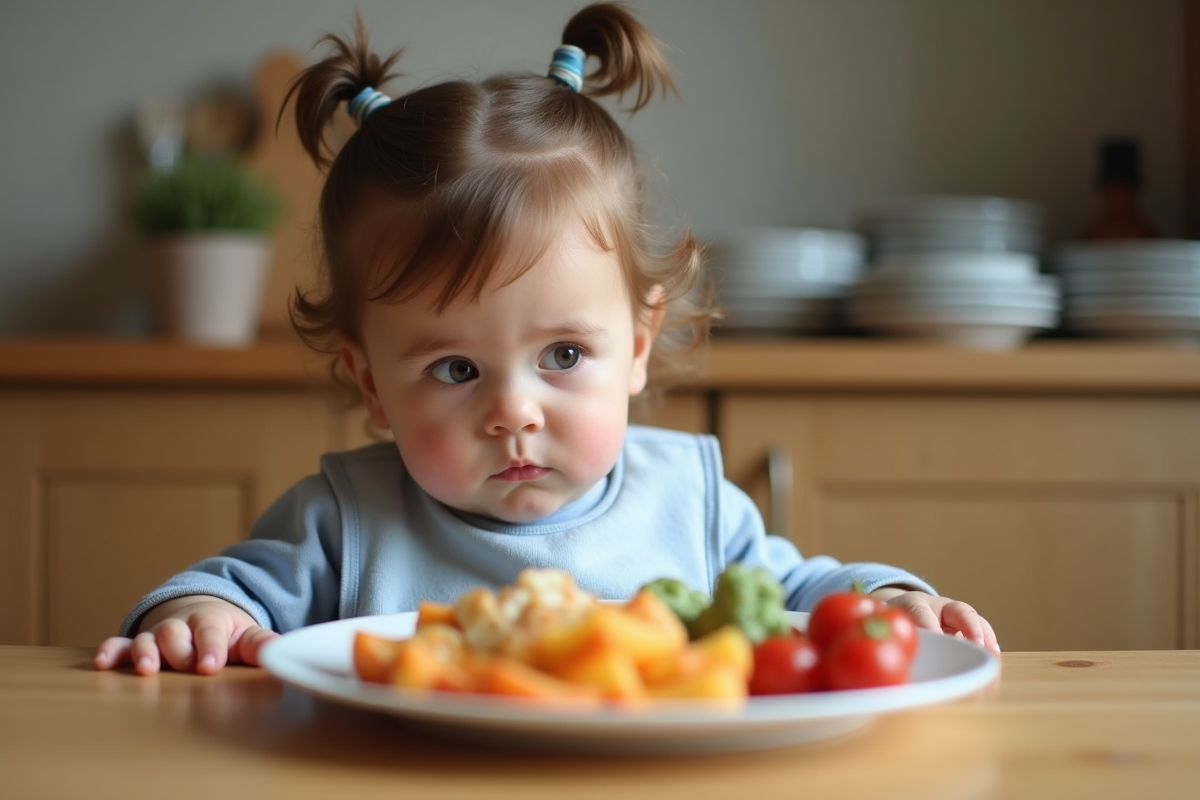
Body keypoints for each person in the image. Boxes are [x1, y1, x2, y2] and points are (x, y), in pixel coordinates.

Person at [95, 3, 999, 677]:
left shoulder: (695, 502)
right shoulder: (344, 521)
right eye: (454, 368)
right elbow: (229, 590)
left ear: (639, 343)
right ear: (370, 384)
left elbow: (803, 596)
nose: (513, 413)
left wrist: (889, 600)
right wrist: (194, 614)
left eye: (563, 355)